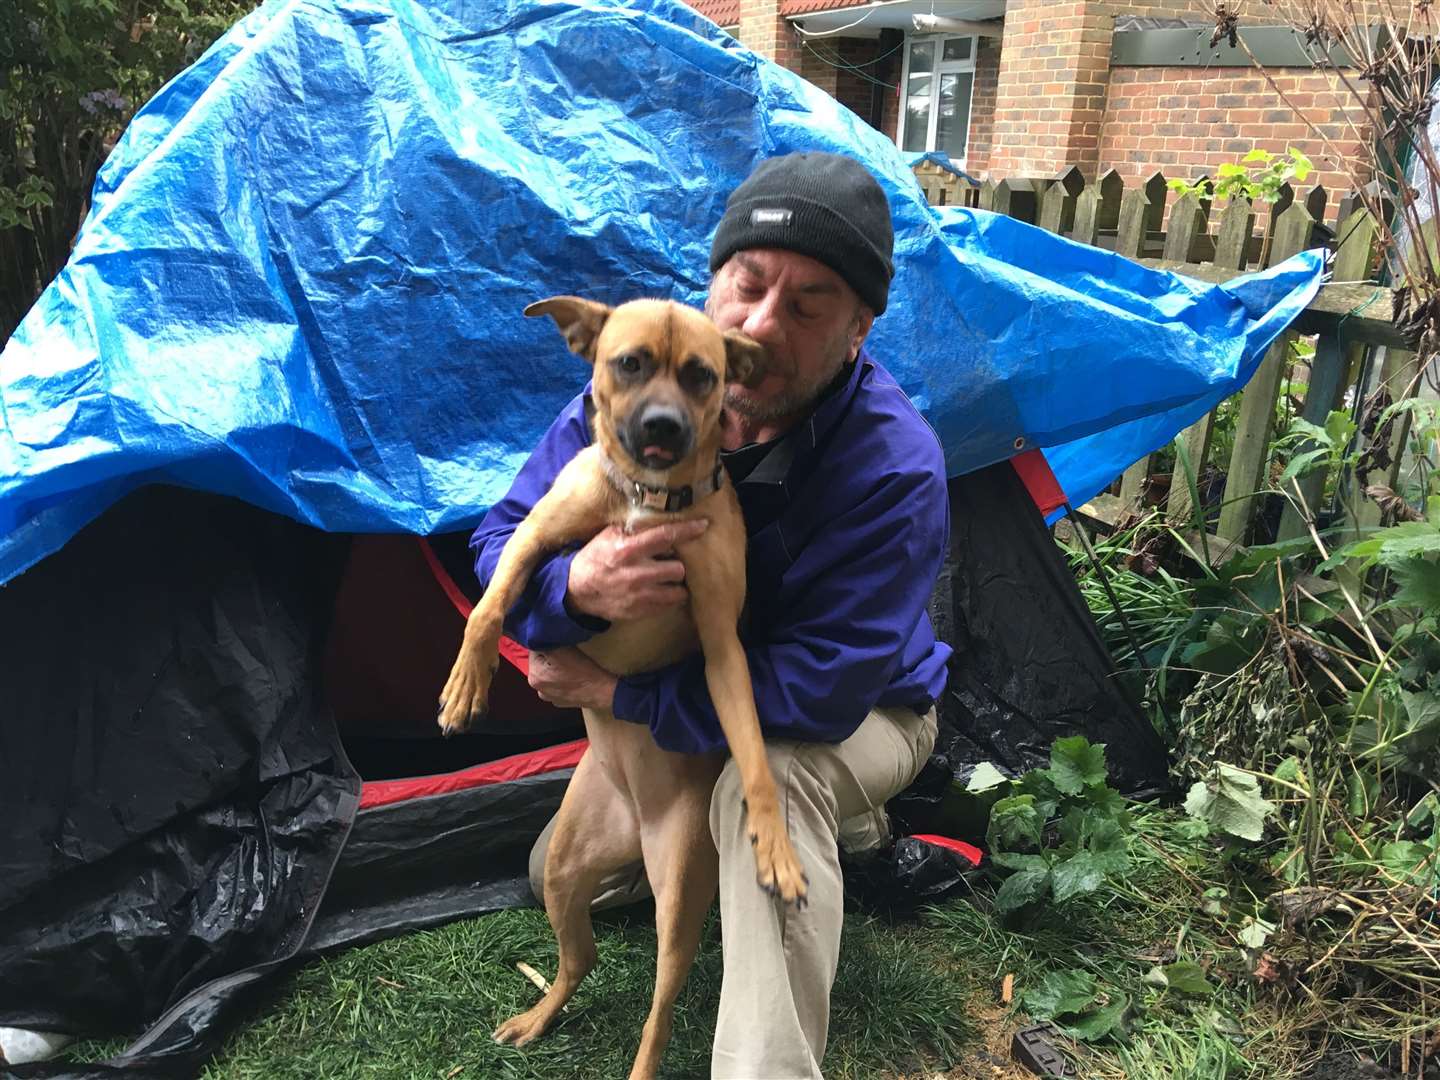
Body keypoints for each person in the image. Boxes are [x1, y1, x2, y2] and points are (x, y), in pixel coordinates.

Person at [471, 151, 950, 1079]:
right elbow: (502, 537)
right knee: (556, 875)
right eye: (750, 284)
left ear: (859, 330)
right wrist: (573, 594)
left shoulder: (895, 467)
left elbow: (822, 690)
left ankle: (766, 1059)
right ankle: (825, 839)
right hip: (694, 696)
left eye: (810, 305)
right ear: (713, 282)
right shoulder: (639, 385)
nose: (765, 324)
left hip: (863, 710)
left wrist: (618, 689)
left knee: (760, 790)